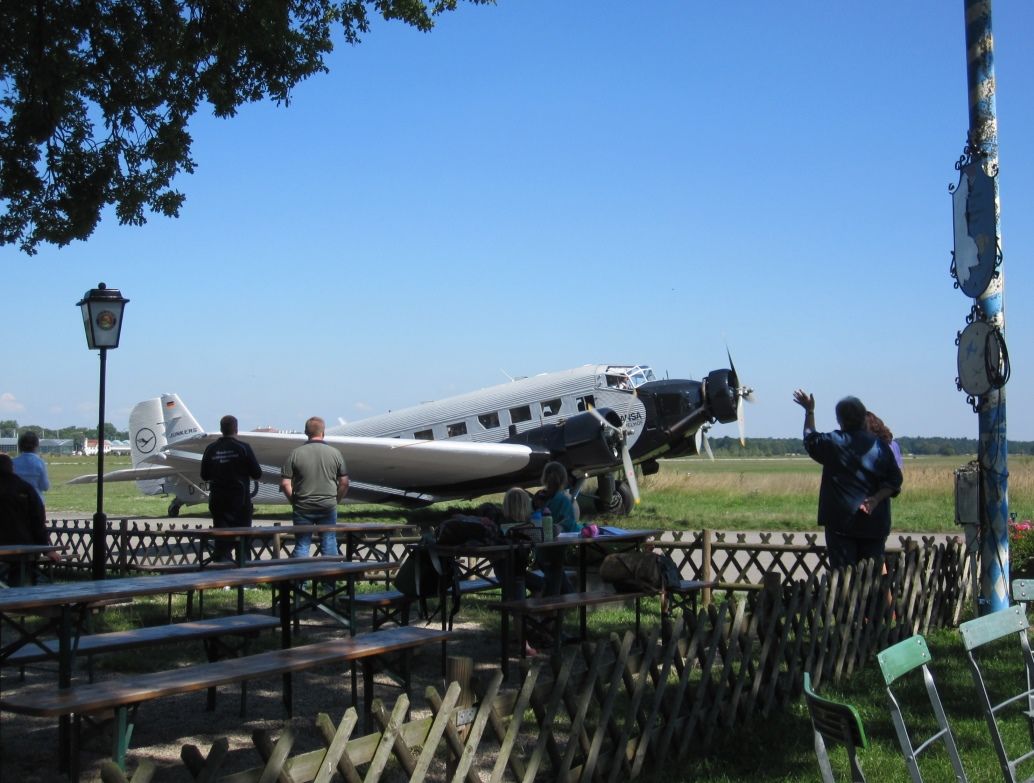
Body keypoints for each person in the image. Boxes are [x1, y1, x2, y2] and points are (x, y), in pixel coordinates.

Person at [793, 390, 903, 571]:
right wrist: (876, 498)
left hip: (840, 525)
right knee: (872, 578)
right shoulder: (880, 446)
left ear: (839, 420)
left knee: (844, 579)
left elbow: (810, 438)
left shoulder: (833, 442)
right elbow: (895, 479)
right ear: (863, 418)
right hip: (874, 524)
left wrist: (809, 412)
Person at [280, 416, 349, 558]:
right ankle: (329, 579)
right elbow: (344, 483)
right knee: (329, 542)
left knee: (302, 544)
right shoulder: (335, 453)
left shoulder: (295, 453)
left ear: (306, 432)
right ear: (323, 432)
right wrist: (336, 500)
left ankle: (300, 579)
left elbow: (285, 483)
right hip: (328, 505)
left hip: (302, 505)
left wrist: (294, 501)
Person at [200, 415, 262, 562]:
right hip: (240, 501)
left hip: (218, 501)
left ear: (221, 429)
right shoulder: (243, 448)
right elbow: (257, 473)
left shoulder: (210, 449)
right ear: (236, 429)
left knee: (222, 540)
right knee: (243, 539)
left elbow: (204, 475)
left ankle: (223, 575)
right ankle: (244, 573)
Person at [0, 453, 59, 585]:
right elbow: (37, 520)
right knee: (20, 577)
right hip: (23, 545)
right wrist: (46, 548)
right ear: (12, 468)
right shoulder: (24, 488)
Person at [537, 462, 577, 595]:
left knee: (554, 572)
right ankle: (563, 599)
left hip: (549, 544)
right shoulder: (556, 499)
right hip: (549, 544)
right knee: (554, 572)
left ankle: (561, 599)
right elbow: (569, 523)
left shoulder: (549, 498)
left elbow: (567, 523)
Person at [12, 431, 50, 502]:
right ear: (36, 446)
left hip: (17, 502)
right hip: (36, 501)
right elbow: (45, 486)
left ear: (20, 446)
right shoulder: (40, 462)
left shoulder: (13, 462)